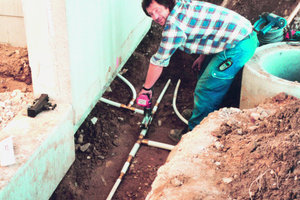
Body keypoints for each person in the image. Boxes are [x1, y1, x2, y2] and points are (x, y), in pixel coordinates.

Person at [138, 0, 259, 142]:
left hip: (239, 45)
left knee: (206, 88)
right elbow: (207, 30)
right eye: (151, 14)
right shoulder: (182, 4)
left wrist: (146, 88)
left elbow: (158, 62)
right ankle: (203, 113)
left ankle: (193, 135)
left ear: (167, 4)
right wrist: (203, 56)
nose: (155, 17)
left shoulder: (173, 27)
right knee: (203, 74)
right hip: (233, 37)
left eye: (157, 10)